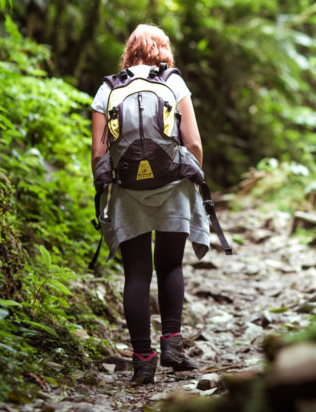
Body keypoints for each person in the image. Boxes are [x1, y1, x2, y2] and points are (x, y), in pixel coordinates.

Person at [90, 24, 208, 384]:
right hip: (172, 186)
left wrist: (110, 188)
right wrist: (191, 175)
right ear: (162, 50)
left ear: (130, 50)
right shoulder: (173, 82)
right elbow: (195, 143)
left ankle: (143, 359)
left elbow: (98, 153)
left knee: (136, 273)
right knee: (170, 265)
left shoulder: (108, 88)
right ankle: (173, 344)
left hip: (128, 193)